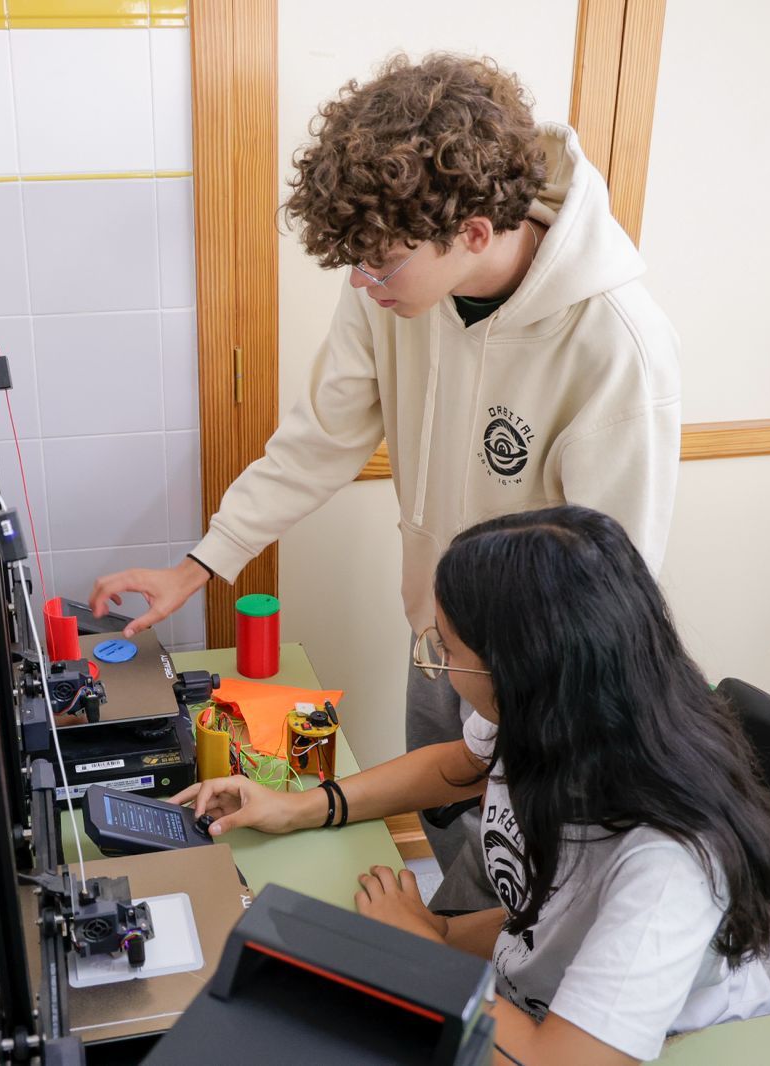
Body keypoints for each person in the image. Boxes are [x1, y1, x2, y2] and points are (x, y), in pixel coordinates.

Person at [91, 52, 680, 910]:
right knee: (451, 837)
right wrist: (200, 563)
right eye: (356, 266)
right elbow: (321, 436)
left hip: (546, 680)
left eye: (381, 267)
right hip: (439, 639)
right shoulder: (390, 283)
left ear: (472, 231)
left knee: (515, 890)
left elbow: (615, 583)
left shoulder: (615, 345)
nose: (364, 286)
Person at [172, 507, 770, 1065]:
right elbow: (460, 768)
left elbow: (562, 1061)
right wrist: (301, 807)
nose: (439, 664)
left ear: (518, 670)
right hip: (530, 1003)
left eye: (447, 648)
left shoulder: (669, 864)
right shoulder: (553, 714)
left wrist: (422, 952)